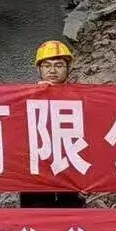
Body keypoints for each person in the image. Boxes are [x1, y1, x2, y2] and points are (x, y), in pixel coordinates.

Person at [22, 40, 86, 210]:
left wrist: (89, 179)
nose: (52, 70)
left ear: (67, 68)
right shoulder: (24, 98)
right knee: (36, 220)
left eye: (58, 65)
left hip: (71, 169)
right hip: (36, 174)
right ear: (39, 69)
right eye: (47, 66)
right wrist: (37, 94)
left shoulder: (80, 98)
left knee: (72, 219)